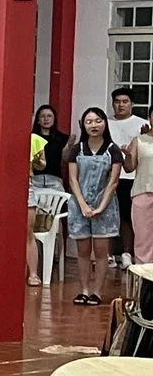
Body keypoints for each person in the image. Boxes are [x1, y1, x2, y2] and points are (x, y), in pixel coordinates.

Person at [66, 106, 124, 306]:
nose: (94, 125)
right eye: (89, 122)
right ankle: (83, 290)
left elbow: (113, 181)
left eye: (98, 121)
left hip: (104, 207)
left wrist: (100, 207)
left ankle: (97, 292)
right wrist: (82, 205)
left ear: (105, 124)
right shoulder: (77, 149)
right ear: (83, 125)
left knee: (101, 253)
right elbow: (72, 180)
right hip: (79, 205)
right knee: (82, 252)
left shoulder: (113, 150)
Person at [108, 88, 148, 268]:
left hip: (130, 177)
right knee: (107, 215)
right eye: (117, 101)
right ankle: (107, 254)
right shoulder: (105, 124)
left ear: (132, 104)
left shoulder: (142, 124)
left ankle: (126, 253)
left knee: (127, 217)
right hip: (108, 177)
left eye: (125, 101)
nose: (121, 105)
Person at [123, 115, 153, 264]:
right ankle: (144, 281)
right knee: (143, 239)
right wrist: (128, 156)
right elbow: (129, 168)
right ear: (150, 117)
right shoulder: (139, 140)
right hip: (143, 192)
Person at [31, 104, 70, 192]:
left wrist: (69, 146)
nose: (46, 119)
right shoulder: (32, 138)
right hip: (35, 180)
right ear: (38, 120)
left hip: (55, 180)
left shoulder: (63, 138)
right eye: (42, 116)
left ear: (54, 119)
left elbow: (65, 160)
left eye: (49, 116)